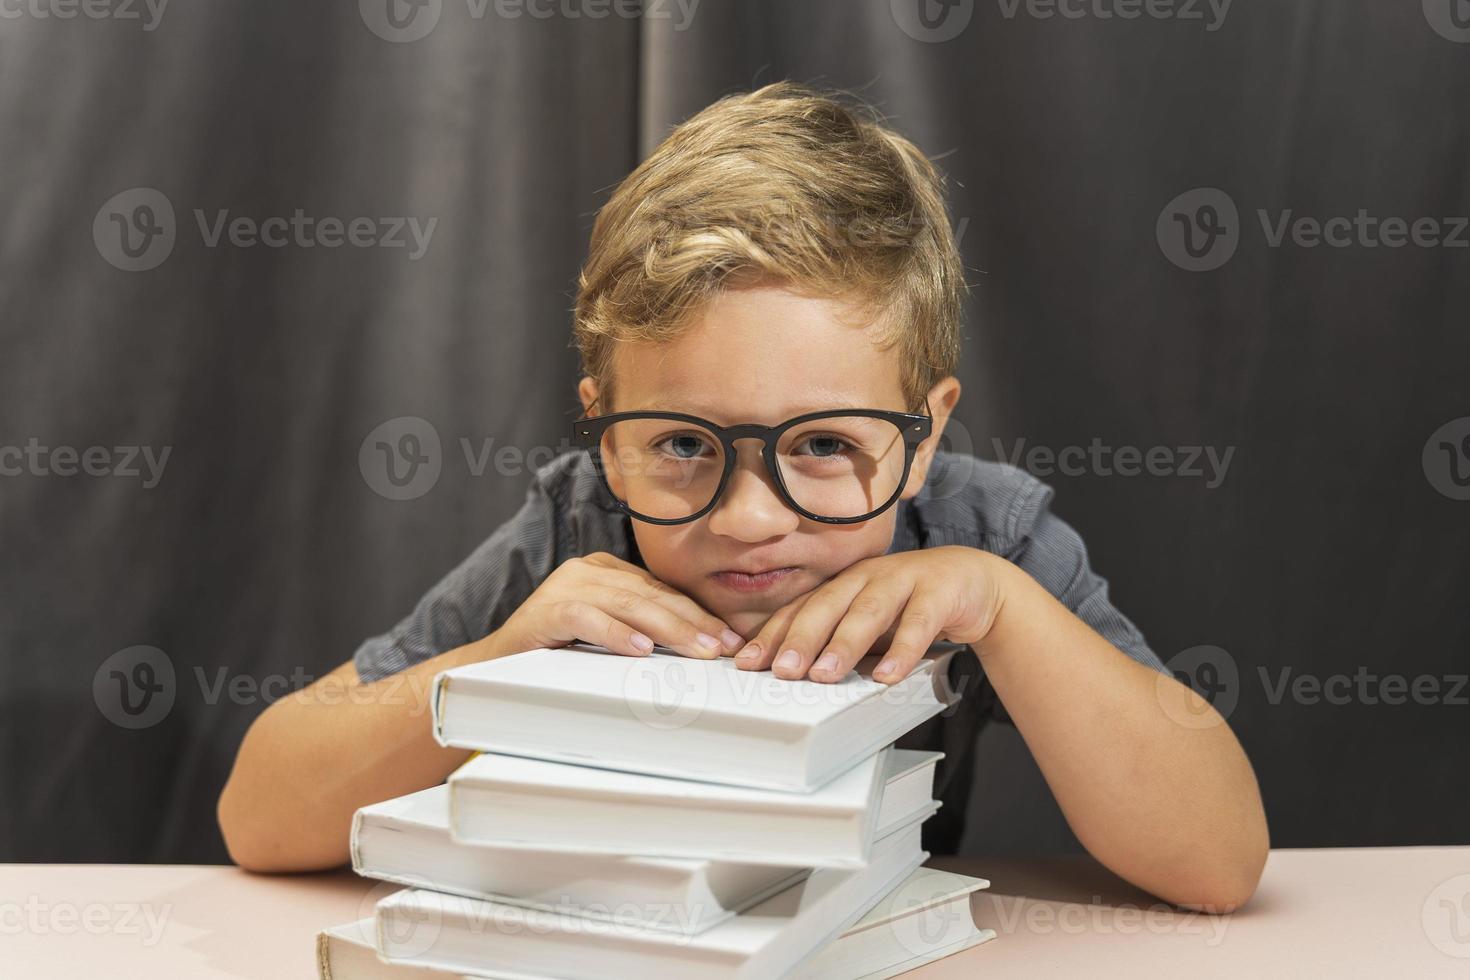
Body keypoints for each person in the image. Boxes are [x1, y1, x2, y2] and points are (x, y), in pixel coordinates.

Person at [218, 81, 1268, 911]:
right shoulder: (578, 531)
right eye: (679, 442)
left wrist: (1004, 609)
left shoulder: (975, 539)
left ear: (925, 433)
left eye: (822, 445)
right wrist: (497, 664)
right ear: (605, 430)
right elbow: (261, 816)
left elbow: (1218, 859)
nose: (750, 518)